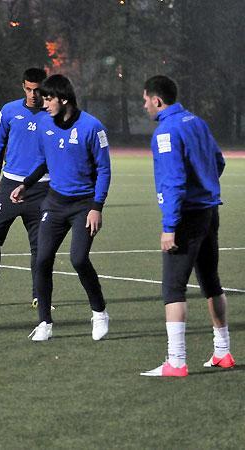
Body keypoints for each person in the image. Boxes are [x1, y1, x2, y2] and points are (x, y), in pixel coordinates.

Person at [139, 75, 234, 377]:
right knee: (211, 282)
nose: (144, 106)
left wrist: (169, 227)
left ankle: (176, 361)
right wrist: (205, 186)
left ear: (157, 100)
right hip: (208, 212)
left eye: (145, 100)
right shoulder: (197, 122)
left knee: (173, 288)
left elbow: (174, 181)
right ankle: (223, 352)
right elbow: (218, 161)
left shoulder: (166, 131)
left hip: (186, 216)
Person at [10, 74, 111, 341]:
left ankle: (99, 312)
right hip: (54, 203)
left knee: (78, 259)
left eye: (48, 99)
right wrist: (26, 184)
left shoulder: (92, 127)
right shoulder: (45, 123)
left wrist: (97, 207)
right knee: (42, 259)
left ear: (63, 99)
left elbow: (104, 169)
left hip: (84, 206)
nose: (43, 104)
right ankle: (44, 322)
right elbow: (44, 160)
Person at [0, 67, 50, 308]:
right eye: (29, 89)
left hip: (41, 188)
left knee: (40, 247)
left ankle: (39, 296)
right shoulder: (9, 111)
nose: (33, 95)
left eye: (37, 90)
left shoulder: (53, 114)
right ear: (23, 87)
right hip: (9, 184)